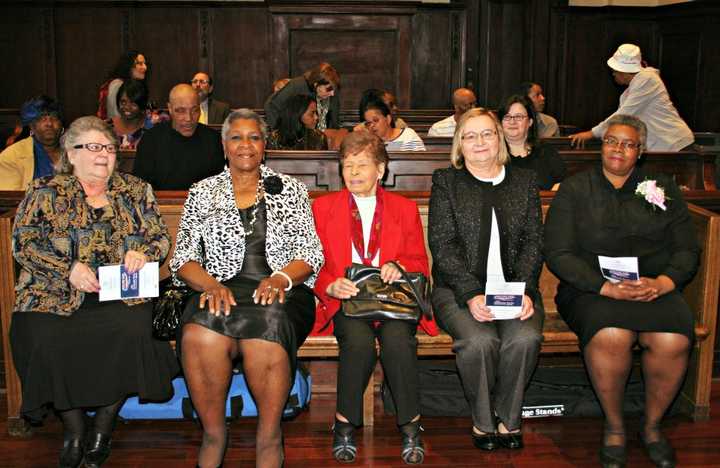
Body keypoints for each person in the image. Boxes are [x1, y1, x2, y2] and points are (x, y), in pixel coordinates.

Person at [9, 116, 177, 468]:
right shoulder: (44, 191)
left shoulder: (135, 190)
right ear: (71, 153)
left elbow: (160, 238)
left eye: (110, 148)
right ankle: (73, 428)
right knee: (43, 338)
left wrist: (144, 252)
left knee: (133, 333)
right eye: (94, 147)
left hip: (120, 294)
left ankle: (102, 427)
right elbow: (23, 244)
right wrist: (67, 269)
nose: (104, 154)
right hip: (52, 293)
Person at [170, 109, 323, 468]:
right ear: (224, 146)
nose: (245, 145)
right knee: (199, 336)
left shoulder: (291, 189)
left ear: (264, 146)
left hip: (281, 290)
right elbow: (183, 259)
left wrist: (282, 277)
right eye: (236, 137)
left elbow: (311, 253)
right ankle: (213, 433)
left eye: (254, 137)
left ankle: (269, 436)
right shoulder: (202, 191)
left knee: (264, 333)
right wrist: (209, 284)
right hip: (218, 287)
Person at [545, 114, 699, 468]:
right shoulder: (575, 188)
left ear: (640, 151)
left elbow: (687, 249)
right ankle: (614, 427)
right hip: (591, 290)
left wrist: (664, 283)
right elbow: (558, 252)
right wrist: (604, 288)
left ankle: (652, 427)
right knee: (612, 335)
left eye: (628, 144)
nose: (618, 149)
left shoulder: (662, 187)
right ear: (602, 145)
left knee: (672, 339)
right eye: (612, 140)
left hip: (652, 288)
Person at [311, 131, 438, 464]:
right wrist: (329, 285)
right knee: (358, 343)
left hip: (392, 300)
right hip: (348, 300)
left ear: (380, 169)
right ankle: (343, 425)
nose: (353, 173)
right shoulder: (323, 208)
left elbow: (419, 262)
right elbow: (311, 263)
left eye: (362, 165)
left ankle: (411, 427)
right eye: (347, 165)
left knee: (399, 342)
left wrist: (399, 265)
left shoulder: (404, 208)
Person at [428, 108, 543, 452]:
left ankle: (509, 419)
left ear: (500, 138)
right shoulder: (446, 182)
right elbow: (443, 245)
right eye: (470, 135)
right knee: (479, 342)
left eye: (487, 134)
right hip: (457, 289)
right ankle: (482, 420)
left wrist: (523, 290)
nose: (479, 142)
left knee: (524, 338)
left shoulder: (524, 182)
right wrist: (471, 294)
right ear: (459, 144)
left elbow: (534, 242)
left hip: (513, 290)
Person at [570, 44, 694, 151]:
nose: (613, 74)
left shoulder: (647, 80)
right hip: (665, 145)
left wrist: (591, 133)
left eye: (615, 70)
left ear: (624, 71)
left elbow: (624, 115)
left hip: (674, 143)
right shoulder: (638, 84)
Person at [133, 84, 224, 190]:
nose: (189, 118)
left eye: (194, 110)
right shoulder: (151, 140)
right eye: (181, 111)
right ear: (170, 109)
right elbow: (140, 187)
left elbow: (220, 187)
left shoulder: (212, 139)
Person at [498, 94, 566, 190]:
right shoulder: (493, 153)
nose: (512, 122)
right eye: (507, 117)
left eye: (519, 117)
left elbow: (563, 183)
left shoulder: (546, 152)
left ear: (530, 122)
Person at [0, 95, 63, 190]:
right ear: (31, 126)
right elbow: (10, 200)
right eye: (42, 119)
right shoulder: (11, 156)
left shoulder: (75, 150)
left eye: (54, 118)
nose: (49, 123)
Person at [264, 62, 341, 131]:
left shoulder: (331, 91)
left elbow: (334, 122)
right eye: (328, 89)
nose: (332, 94)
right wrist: (279, 133)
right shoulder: (297, 86)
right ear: (316, 84)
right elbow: (271, 105)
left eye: (334, 90)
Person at [97, 50, 148, 120]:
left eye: (145, 63)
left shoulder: (131, 85)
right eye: (140, 63)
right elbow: (115, 116)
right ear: (128, 65)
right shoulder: (117, 84)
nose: (145, 67)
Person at [361, 98, 425, 151]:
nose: (372, 125)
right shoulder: (369, 142)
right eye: (368, 123)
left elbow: (421, 161)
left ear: (388, 119)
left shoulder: (408, 135)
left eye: (375, 120)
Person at [107, 79, 154, 150]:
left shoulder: (153, 127)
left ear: (142, 104)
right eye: (123, 102)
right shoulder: (106, 127)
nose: (127, 107)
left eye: (133, 103)